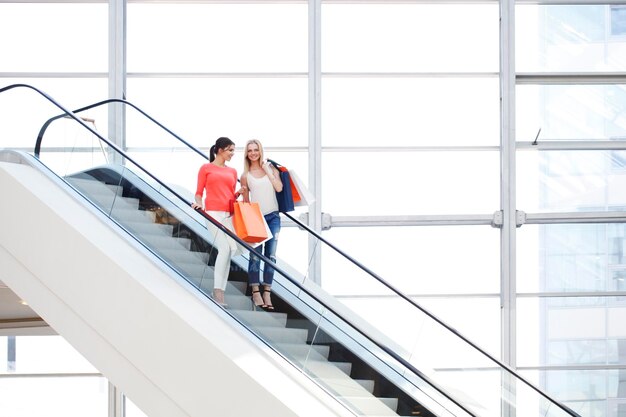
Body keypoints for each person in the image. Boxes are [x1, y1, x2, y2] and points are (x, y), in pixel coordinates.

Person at [191, 137, 242, 307]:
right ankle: (217, 292)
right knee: (224, 248)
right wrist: (198, 203)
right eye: (230, 150)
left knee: (228, 252)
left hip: (228, 215)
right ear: (220, 150)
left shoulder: (233, 172)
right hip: (212, 213)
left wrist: (238, 193)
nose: (232, 154)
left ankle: (220, 290)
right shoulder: (206, 168)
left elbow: (229, 195)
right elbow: (199, 192)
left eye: (233, 150)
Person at [241, 139, 282, 311]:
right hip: (256, 217)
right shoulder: (245, 175)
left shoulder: (270, 169)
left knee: (271, 256)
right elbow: (246, 202)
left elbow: (279, 188)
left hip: (273, 217)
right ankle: (255, 291)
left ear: (260, 151)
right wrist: (243, 193)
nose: (253, 153)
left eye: (255, 149)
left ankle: (267, 292)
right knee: (255, 256)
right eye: (249, 150)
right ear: (246, 154)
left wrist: (267, 171)